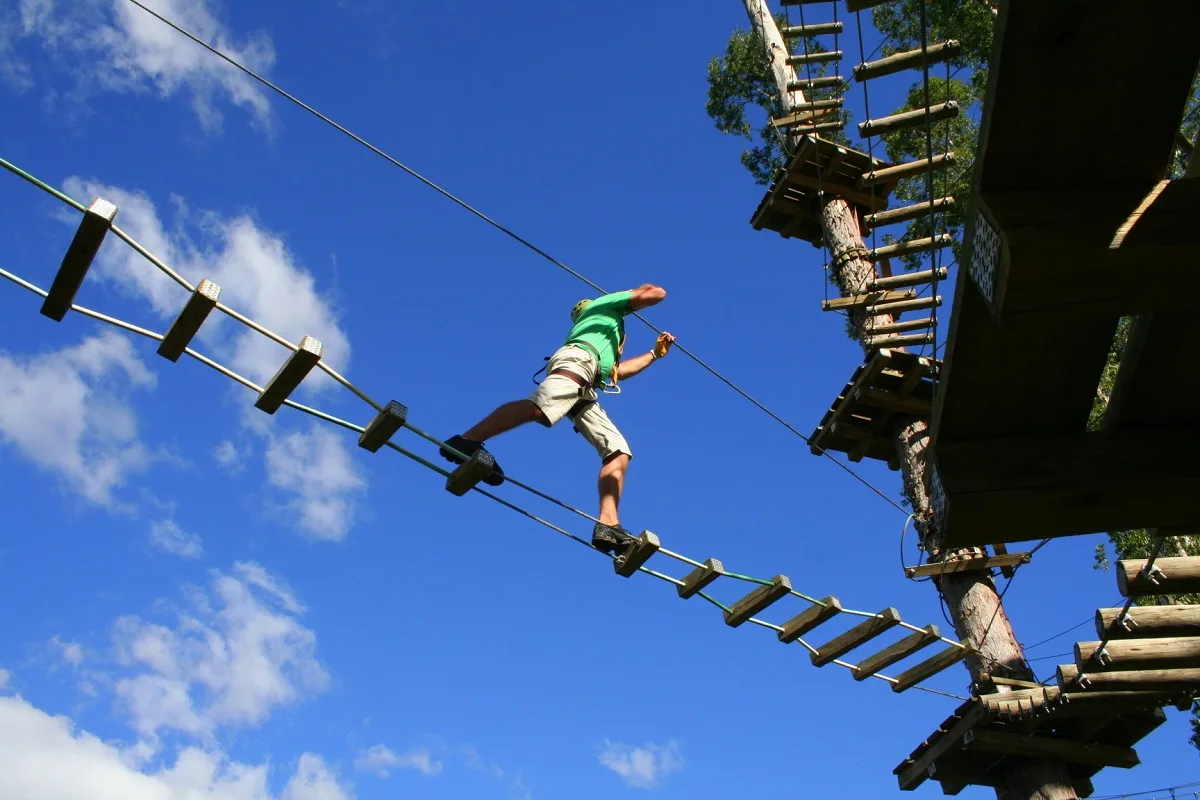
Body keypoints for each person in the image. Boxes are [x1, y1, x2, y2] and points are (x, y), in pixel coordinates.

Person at [440, 284, 674, 557]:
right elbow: (657, 293)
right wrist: (637, 290)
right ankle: (467, 440)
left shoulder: (606, 336)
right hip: (579, 361)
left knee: (618, 452)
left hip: (589, 382)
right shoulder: (605, 306)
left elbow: (618, 372)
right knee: (540, 407)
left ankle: (608, 524)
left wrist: (654, 354)